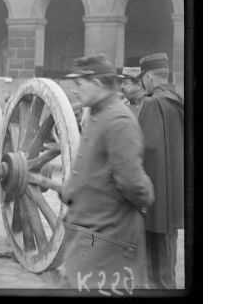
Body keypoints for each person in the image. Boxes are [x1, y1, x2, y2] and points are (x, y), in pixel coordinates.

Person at [60, 55, 154, 293]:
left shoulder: (119, 121)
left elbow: (134, 185)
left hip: (109, 238)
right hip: (91, 234)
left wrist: (147, 194)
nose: (74, 90)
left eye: (80, 84)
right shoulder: (99, 113)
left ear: (99, 84)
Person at [137, 53, 184, 289]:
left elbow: (143, 150)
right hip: (173, 196)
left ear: (148, 77)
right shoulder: (177, 101)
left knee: (154, 271)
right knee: (168, 260)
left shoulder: (151, 103)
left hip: (154, 199)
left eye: (141, 79)